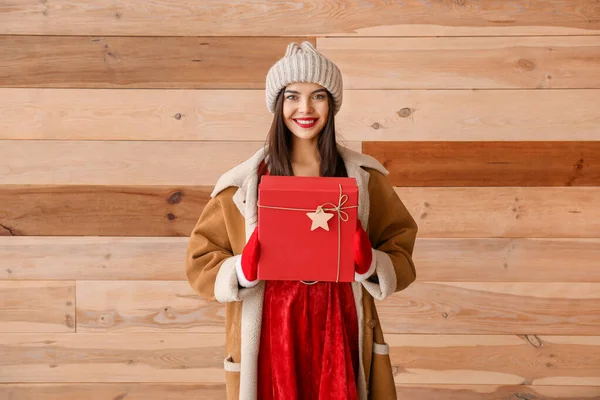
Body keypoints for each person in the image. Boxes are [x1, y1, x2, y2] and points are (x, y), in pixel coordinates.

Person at [185, 41, 418, 400]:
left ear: (332, 104)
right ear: (278, 105)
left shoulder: (365, 179)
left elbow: (400, 251)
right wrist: (243, 270)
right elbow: (200, 263)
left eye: (318, 96)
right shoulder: (242, 184)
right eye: (292, 96)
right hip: (272, 330)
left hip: (340, 323)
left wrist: (371, 263)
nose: (305, 108)